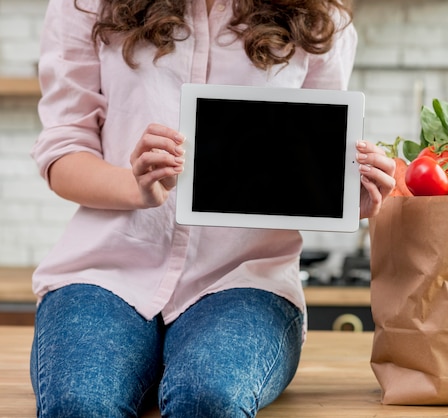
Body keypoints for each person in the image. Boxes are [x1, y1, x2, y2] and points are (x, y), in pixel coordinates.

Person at [29, 0, 395, 417]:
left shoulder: (319, 17)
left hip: (244, 277)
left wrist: (345, 196)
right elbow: (64, 148)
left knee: (210, 396)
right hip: (106, 271)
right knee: (79, 403)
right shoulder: (85, 5)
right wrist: (135, 187)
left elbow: (310, 158)